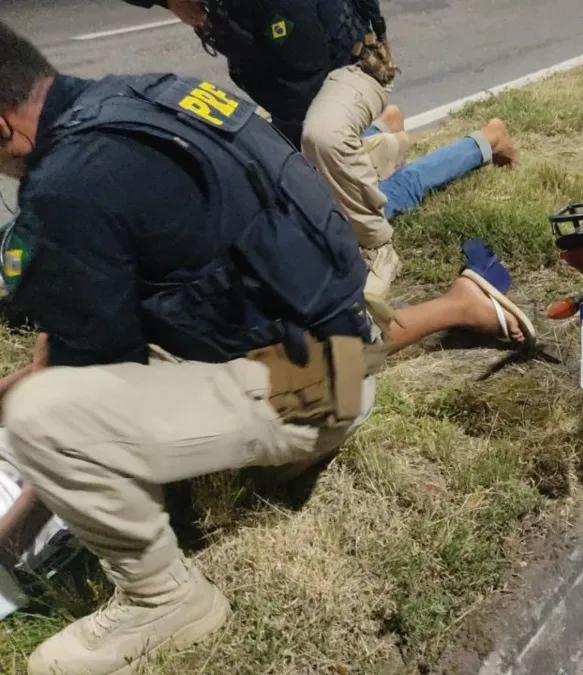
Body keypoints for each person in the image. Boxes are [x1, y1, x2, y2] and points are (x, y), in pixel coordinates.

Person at [0, 21, 533, 675]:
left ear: (3, 127)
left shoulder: (66, 190)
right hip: (341, 326)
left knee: (39, 418)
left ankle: (163, 600)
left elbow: (86, 392)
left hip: (317, 388)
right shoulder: (143, 96)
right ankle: (452, 307)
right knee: (51, 378)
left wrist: (16, 525)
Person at [123, 0, 519, 297]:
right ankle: (378, 139)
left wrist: (302, 179)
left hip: (350, 69)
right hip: (298, 96)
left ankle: (483, 142)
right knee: (299, 179)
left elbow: (303, 92)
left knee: (335, 200)